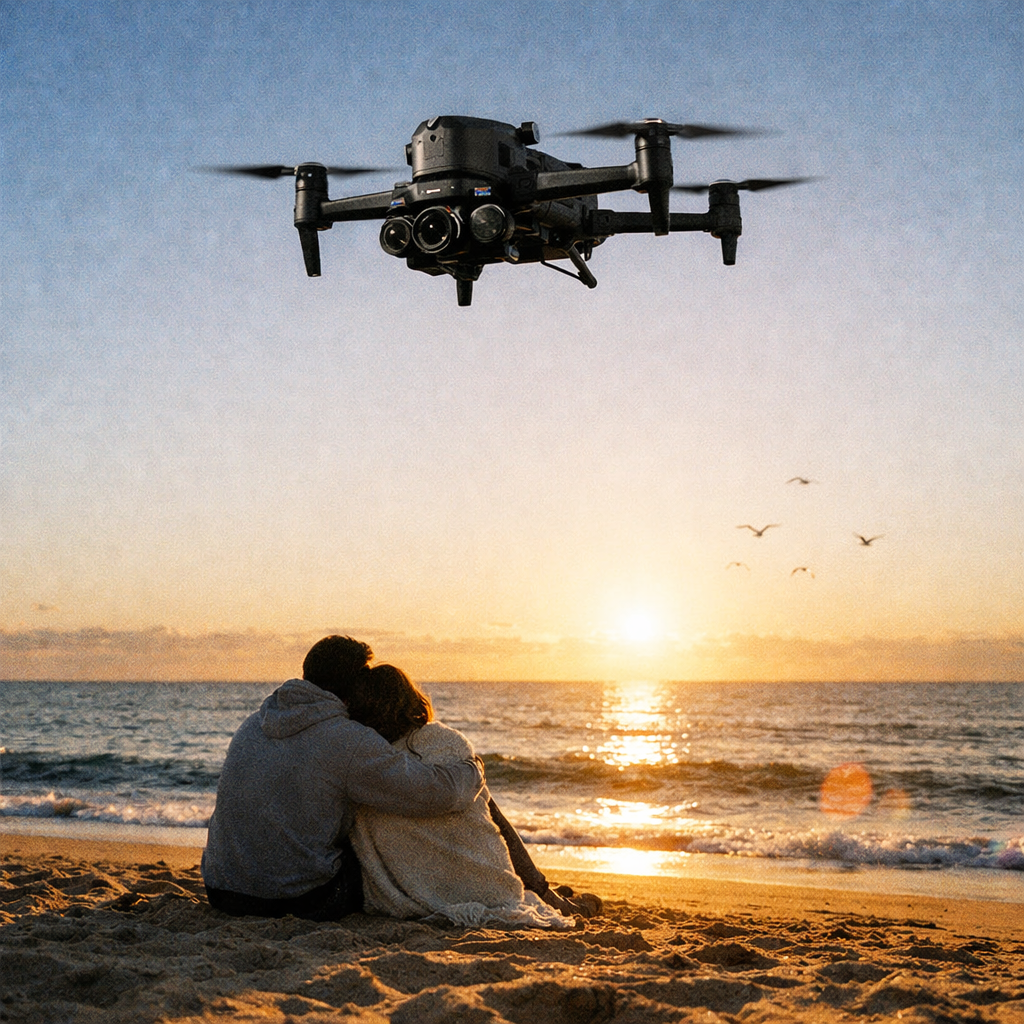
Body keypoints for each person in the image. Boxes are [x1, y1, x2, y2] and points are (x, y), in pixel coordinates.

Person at [201, 636, 484, 920]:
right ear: (357, 683)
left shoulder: (253, 723)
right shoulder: (347, 740)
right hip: (298, 900)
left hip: (222, 890)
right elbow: (432, 794)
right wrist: (473, 770)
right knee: (373, 838)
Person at [346, 664, 602, 927]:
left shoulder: (365, 761)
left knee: (477, 792)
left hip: (410, 887)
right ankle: (544, 892)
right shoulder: (442, 743)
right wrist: (473, 769)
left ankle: (543, 890)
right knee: (485, 801)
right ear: (410, 701)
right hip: (482, 888)